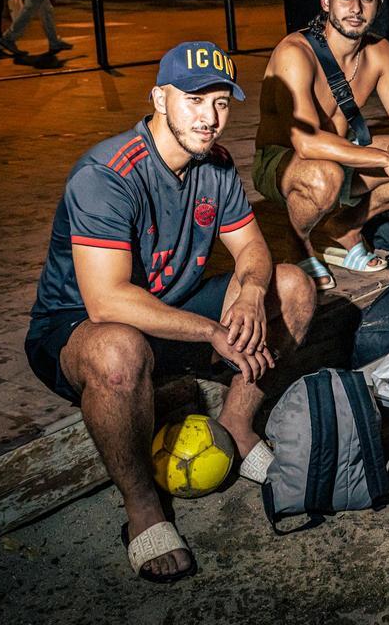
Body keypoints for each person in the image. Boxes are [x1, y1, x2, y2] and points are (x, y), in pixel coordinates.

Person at [24, 40, 316, 582]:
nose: (210, 118)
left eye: (222, 104)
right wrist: (211, 331)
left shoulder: (215, 164)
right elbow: (106, 300)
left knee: (293, 286)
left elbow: (253, 250)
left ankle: (237, 425)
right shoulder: (107, 173)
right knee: (118, 348)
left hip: (170, 310)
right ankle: (142, 508)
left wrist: (252, 290)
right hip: (78, 327)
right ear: (159, 97)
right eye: (194, 100)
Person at [254, 0, 389, 290]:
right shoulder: (296, 52)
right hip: (285, 161)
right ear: (326, 1)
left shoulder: (379, 52)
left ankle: (344, 227)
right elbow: (306, 142)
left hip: (342, 155)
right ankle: (296, 244)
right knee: (324, 175)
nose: (355, 8)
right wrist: (385, 160)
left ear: (378, 4)